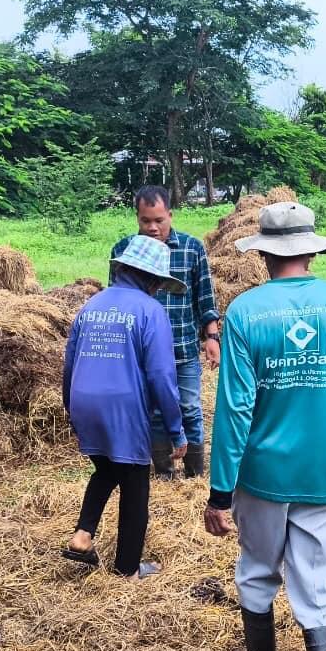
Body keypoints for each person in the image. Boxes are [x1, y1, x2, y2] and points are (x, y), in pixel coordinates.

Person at [204, 200, 326, 651]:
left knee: (257, 568)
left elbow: (234, 407)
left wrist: (219, 490)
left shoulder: (246, 313)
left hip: (262, 474)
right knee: (316, 580)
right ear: (311, 248)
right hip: (325, 470)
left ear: (264, 255)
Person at [62, 235, 188, 578]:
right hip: (123, 407)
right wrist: (176, 430)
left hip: (83, 401)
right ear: (151, 278)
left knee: (106, 469)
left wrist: (69, 407)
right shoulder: (150, 311)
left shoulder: (92, 305)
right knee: (135, 486)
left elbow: (70, 362)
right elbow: (162, 375)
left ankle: (83, 535)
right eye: (159, 282)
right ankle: (128, 570)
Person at [112, 185, 219, 479]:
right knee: (155, 412)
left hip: (183, 346)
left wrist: (212, 337)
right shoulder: (123, 251)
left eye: (159, 220)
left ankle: (195, 473)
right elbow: (117, 300)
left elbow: (204, 296)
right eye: (146, 221)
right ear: (137, 218)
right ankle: (164, 472)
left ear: (170, 215)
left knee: (190, 408)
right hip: (142, 352)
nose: (153, 228)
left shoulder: (191, 248)